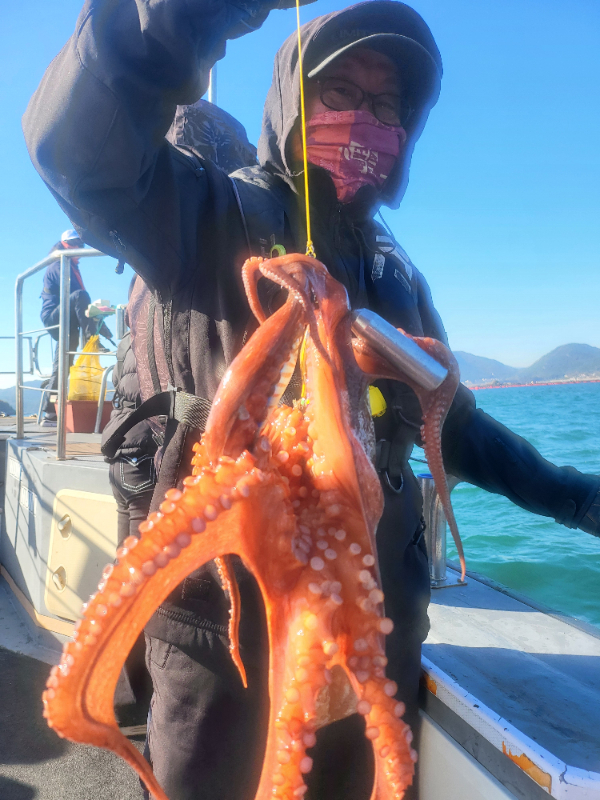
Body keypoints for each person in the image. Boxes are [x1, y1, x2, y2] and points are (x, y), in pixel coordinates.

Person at [23, 2, 600, 799]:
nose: (365, 119)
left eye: (387, 105)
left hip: (375, 628)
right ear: (292, 102)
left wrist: (578, 499)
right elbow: (77, 152)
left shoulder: (396, 273)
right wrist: (177, 17)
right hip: (225, 642)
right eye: (340, 92)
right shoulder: (206, 214)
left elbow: (451, 417)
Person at [39, 229, 113, 426]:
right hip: (54, 317)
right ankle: (91, 341)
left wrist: (101, 324)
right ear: (64, 245)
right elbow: (77, 296)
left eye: (81, 244)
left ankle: (50, 413)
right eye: (74, 243)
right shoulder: (59, 264)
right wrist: (94, 330)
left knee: (64, 362)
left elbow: (81, 305)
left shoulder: (71, 266)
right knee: (82, 295)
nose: (79, 247)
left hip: (68, 320)